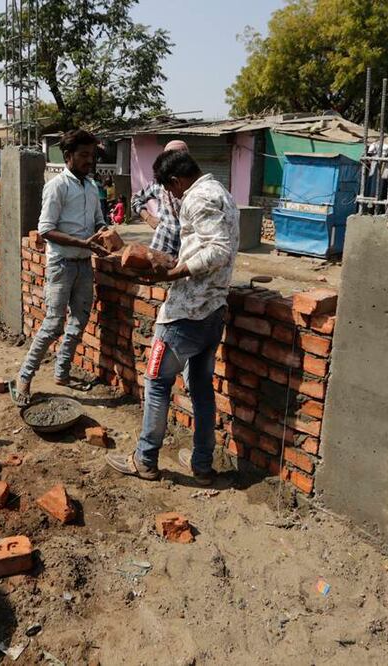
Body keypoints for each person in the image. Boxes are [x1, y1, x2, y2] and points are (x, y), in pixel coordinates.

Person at [106, 150, 239, 485]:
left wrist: (178, 270)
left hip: (186, 314)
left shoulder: (197, 198)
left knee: (156, 384)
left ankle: (145, 459)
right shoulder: (222, 193)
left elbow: (219, 249)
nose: (172, 196)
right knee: (202, 388)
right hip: (213, 312)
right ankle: (202, 463)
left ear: (177, 181)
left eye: (171, 190)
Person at [13, 129, 110, 406]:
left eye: (91, 155)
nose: (88, 160)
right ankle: (24, 377)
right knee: (54, 323)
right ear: (68, 156)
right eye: (83, 155)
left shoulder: (91, 187)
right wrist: (83, 242)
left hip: (84, 263)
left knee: (80, 319)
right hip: (61, 263)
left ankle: (62, 372)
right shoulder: (57, 186)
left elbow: (98, 221)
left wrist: (105, 232)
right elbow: (45, 229)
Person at [130, 139, 189, 259]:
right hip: (162, 245)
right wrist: (148, 217)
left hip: (187, 249)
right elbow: (136, 199)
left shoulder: (194, 186)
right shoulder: (158, 184)